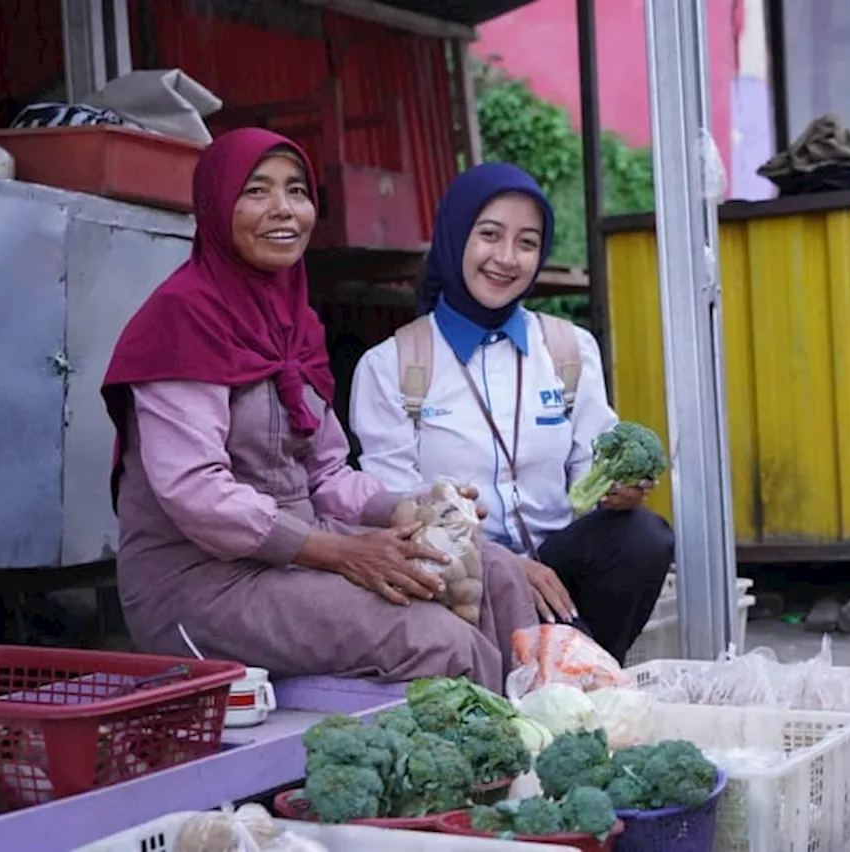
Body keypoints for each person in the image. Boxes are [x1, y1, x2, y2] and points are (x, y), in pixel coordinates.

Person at [100, 129, 538, 690]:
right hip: (202, 582)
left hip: (301, 554)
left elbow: (326, 472)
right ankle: (490, 767)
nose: (284, 210)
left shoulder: (293, 321)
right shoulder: (182, 317)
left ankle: (541, 740)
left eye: (297, 192)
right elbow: (195, 494)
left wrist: (406, 508)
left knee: (497, 570)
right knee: (436, 637)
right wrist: (338, 553)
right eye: (256, 192)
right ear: (215, 207)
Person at [349, 162, 673, 665]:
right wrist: (502, 564)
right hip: (456, 575)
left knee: (643, 538)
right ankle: (584, 680)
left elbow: (592, 455)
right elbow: (398, 510)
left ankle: (574, 676)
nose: (506, 258)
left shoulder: (566, 347)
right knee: (560, 657)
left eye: (526, 242)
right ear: (456, 236)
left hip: (559, 563)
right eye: (489, 235)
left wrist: (613, 486)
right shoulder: (390, 366)